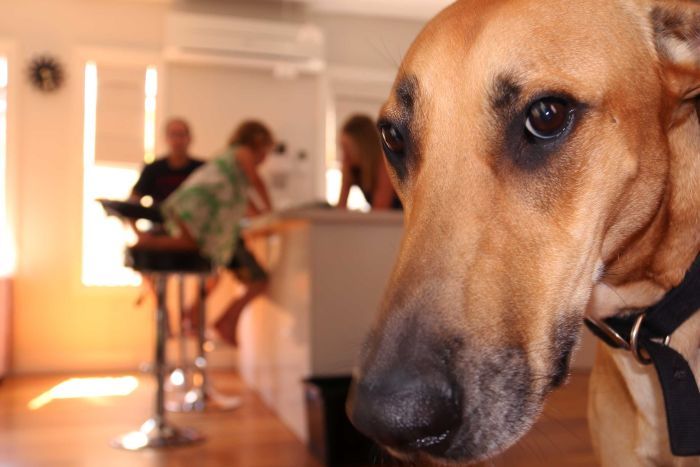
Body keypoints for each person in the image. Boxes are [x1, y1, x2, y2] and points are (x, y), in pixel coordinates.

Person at [136, 120, 274, 346]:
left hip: (185, 215)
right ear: (257, 142)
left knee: (207, 264)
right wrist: (270, 211)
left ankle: (191, 315)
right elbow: (255, 181)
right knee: (194, 252)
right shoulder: (243, 152)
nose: (265, 159)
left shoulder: (224, 162)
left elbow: (240, 197)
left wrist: (260, 215)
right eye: (266, 151)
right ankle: (193, 316)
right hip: (194, 216)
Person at [131, 118, 204, 205]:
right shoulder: (153, 168)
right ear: (166, 138)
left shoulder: (202, 169)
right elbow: (135, 197)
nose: (177, 140)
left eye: (181, 135)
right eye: (173, 135)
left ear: (189, 138)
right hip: (159, 218)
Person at [337, 114, 401, 210]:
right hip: (383, 222)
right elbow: (340, 210)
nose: (344, 157)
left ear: (363, 147)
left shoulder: (384, 163)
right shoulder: (352, 168)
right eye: (343, 149)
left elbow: (379, 211)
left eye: (348, 150)